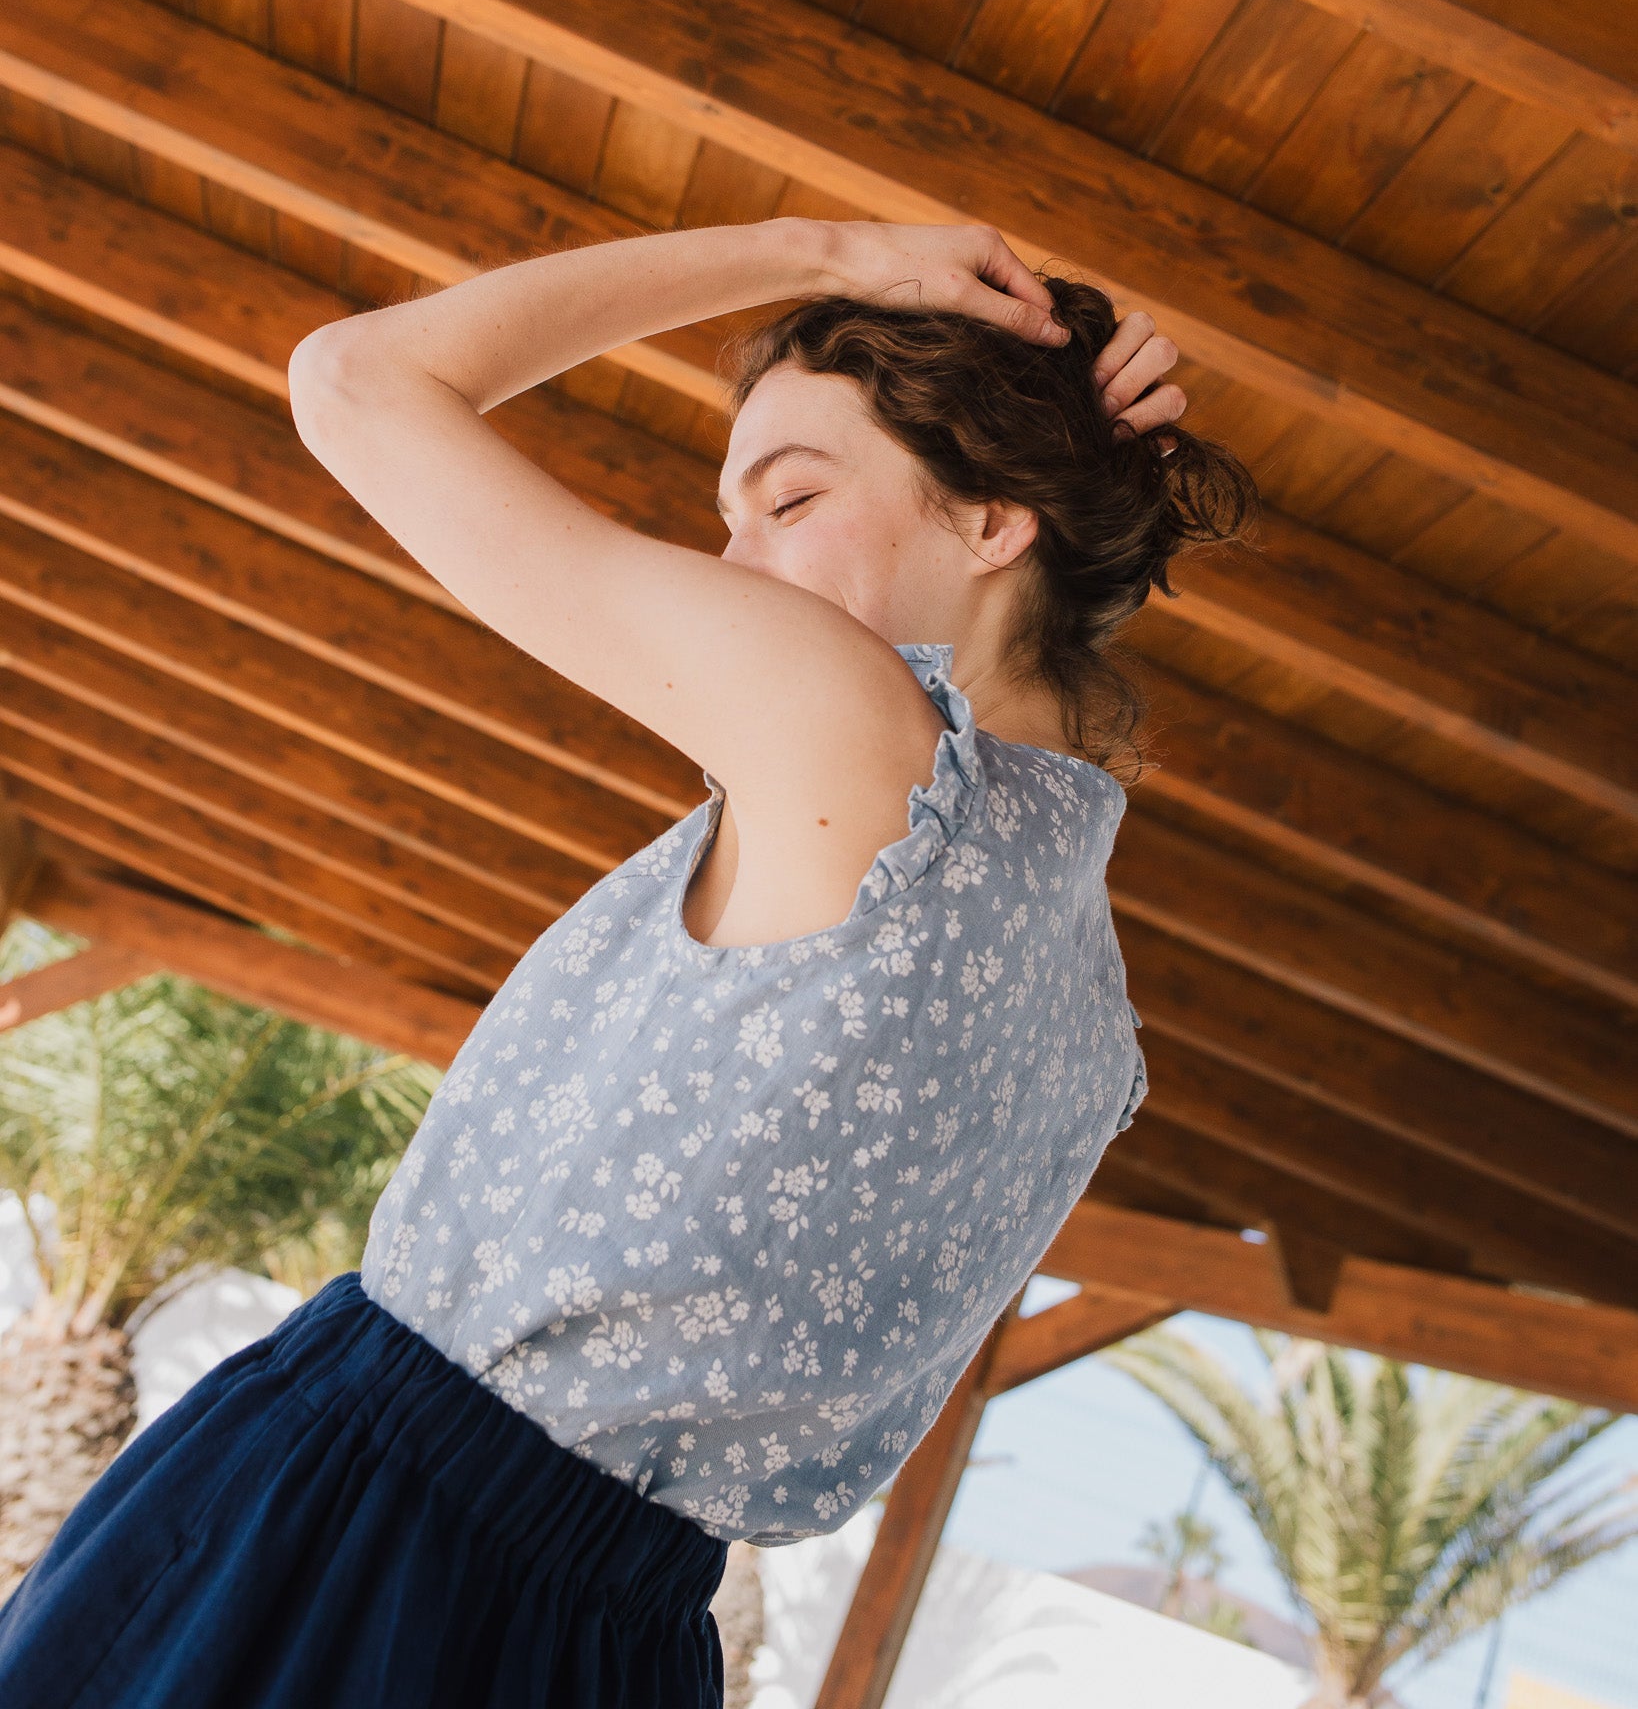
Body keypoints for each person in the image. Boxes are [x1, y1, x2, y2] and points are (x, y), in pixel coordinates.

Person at [0, 219, 1255, 1708]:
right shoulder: (1087, 1028)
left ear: (997, 522)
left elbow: (356, 378)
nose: (733, 560)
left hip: (355, 1527)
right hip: (622, 1649)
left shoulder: (857, 735)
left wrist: (834, 248)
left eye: (788, 497)